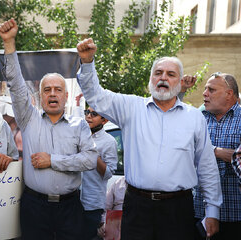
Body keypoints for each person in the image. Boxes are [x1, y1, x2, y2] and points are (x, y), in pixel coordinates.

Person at [76, 38, 222, 240]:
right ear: (150, 79)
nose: (163, 78)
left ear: (180, 83)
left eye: (170, 74)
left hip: (178, 210)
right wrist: (87, 62)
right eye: (158, 73)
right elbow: (95, 96)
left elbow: (206, 165)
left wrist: (213, 210)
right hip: (137, 208)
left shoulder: (194, 116)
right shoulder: (131, 108)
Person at [0, 19, 98, 240]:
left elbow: (90, 160)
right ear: (40, 96)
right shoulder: (27, 119)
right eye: (47, 90)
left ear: (66, 96)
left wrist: (52, 160)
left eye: (58, 90)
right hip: (34, 207)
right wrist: (9, 43)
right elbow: (15, 81)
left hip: (70, 208)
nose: (53, 94)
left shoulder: (79, 123)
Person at [193, 72, 241, 240]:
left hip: (236, 214)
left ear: (229, 94)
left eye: (211, 90)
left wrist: (207, 150)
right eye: (205, 89)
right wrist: (220, 152)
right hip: (199, 212)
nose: (205, 93)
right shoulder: (197, 119)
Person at [74, 95, 118, 240]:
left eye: (94, 114)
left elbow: (108, 174)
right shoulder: (80, 135)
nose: (88, 117)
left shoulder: (109, 142)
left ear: (104, 120)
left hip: (92, 205)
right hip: (72, 201)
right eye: (87, 112)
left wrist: (93, 153)